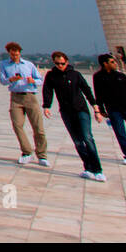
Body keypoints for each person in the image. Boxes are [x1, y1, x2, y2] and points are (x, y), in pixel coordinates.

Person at [43, 52, 105, 181]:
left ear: (67, 61)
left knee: (87, 138)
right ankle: (88, 167)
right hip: (66, 112)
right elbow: (47, 90)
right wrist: (47, 106)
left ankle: (98, 170)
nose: (60, 66)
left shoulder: (75, 74)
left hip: (81, 110)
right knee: (77, 141)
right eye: (57, 63)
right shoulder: (51, 76)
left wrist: (96, 109)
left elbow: (86, 90)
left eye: (62, 63)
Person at [0, 42, 49, 167]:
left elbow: (40, 80)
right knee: (17, 126)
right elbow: (2, 81)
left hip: (30, 96)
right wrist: (11, 79)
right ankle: (27, 152)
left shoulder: (29, 65)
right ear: (9, 53)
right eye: (11, 52)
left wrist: (33, 81)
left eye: (16, 52)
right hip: (15, 98)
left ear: (19, 52)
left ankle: (42, 155)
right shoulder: (4, 64)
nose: (14, 54)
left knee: (38, 128)